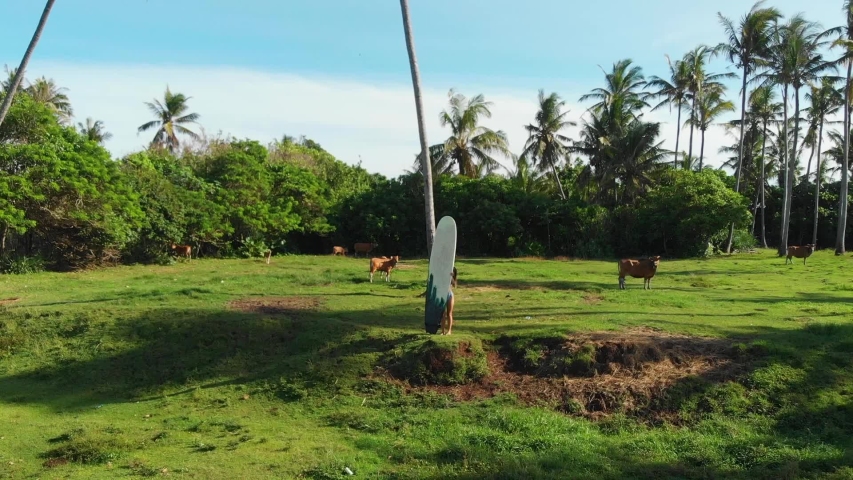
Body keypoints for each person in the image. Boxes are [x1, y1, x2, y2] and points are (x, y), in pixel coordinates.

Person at [441, 266, 457, 335]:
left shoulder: (452, 278)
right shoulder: (443, 275)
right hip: (442, 295)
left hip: (450, 294)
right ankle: (442, 331)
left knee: (449, 313)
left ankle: (449, 331)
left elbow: (454, 285)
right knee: (443, 314)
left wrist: (451, 277)